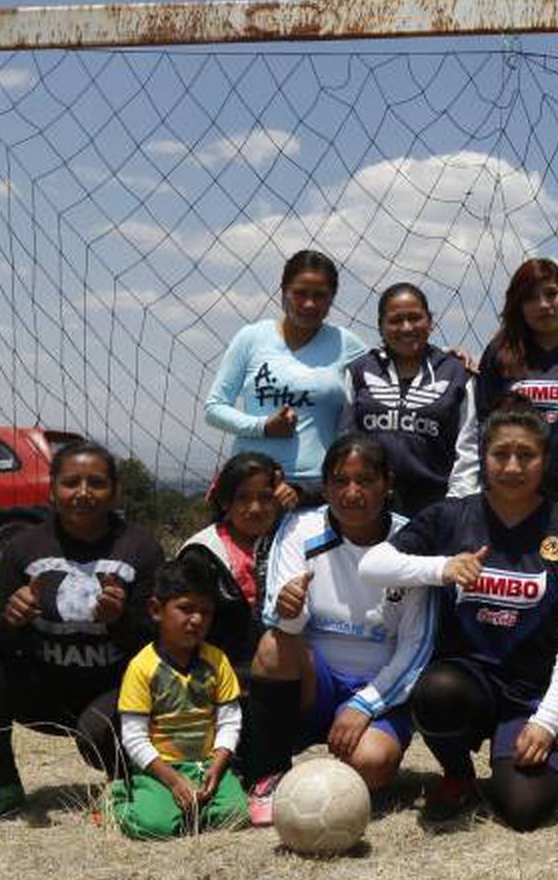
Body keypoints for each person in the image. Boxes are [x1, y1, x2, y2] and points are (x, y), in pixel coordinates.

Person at [359, 407, 558, 831]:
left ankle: (513, 751)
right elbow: (373, 564)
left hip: (532, 694)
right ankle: (458, 774)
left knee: (524, 811)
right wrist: (441, 568)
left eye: (526, 455)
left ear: (545, 461)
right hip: (466, 681)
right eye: (500, 454)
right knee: (435, 690)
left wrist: (547, 720)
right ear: (484, 456)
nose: (512, 466)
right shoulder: (451, 517)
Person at [0, 440, 162, 823]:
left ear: (114, 491)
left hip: (112, 691)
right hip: (43, 689)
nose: (83, 493)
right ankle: (0, 786)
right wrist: (12, 619)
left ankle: (133, 784)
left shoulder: (140, 548)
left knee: (98, 733)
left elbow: (156, 647)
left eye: (96, 483)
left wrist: (120, 620)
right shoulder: (23, 548)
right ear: (52, 489)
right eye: (71, 483)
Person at [238, 434, 434, 822]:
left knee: (373, 764)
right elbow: (285, 627)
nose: (352, 492)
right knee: (273, 645)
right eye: (340, 482)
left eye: (365, 480)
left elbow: (418, 645)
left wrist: (365, 705)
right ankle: (268, 772)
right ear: (325, 487)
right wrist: (288, 610)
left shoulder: (413, 540)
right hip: (316, 681)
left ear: (388, 482)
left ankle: (333, 776)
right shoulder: (297, 529)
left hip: (379, 684)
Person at [204, 249, 369, 502]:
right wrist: (263, 427)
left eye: (320, 296)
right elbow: (214, 408)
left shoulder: (345, 343)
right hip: (252, 485)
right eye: (300, 293)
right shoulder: (252, 338)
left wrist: (444, 358)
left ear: (332, 298)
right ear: (283, 291)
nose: (309, 304)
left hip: (316, 490)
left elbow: (390, 370)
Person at [107, 553, 249, 839]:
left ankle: (193, 806)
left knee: (236, 814)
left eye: (206, 612)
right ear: (156, 610)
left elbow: (229, 721)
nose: (196, 619)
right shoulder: (142, 667)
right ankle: (120, 797)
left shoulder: (217, 661)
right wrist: (173, 781)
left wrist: (218, 764)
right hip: (160, 769)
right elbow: (133, 737)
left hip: (207, 765)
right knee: (154, 827)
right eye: (185, 609)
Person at [340, 282, 479, 516]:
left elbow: (468, 448)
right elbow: (344, 437)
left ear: (430, 322)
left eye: (415, 318)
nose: (406, 328)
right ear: (380, 326)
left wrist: (456, 506)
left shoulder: (456, 373)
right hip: (369, 506)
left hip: (436, 506)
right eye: (395, 320)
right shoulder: (359, 371)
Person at [475, 259, 558, 503]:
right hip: (510, 490)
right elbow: (483, 426)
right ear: (518, 306)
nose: (543, 305)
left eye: (551, 294)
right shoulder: (499, 353)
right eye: (530, 298)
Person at [177, 451, 286, 683]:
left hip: (278, 668)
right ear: (226, 501)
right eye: (243, 498)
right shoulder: (202, 552)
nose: (255, 508)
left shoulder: (288, 542)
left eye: (266, 497)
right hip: (213, 673)